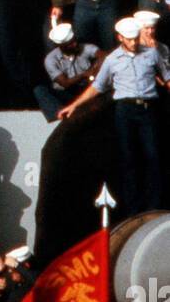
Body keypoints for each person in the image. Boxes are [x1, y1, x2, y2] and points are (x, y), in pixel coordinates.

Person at [59, 17, 166, 217]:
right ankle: (134, 210)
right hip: (125, 110)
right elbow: (98, 86)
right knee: (129, 159)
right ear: (120, 38)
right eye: (129, 39)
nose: (134, 43)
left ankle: (154, 206)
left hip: (148, 108)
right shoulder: (112, 60)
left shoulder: (152, 54)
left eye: (135, 38)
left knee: (153, 157)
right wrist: (74, 105)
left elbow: (166, 76)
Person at [33, 22, 102, 121]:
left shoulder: (84, 48)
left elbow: (103, 55)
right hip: (67, 93)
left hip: (86, 89)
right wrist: (84, 74)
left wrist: (95, 69)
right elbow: (65, 83)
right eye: (70, 44)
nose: (75, 44)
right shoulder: (51, 59)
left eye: (74, 41)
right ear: (61, 46)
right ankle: (59, 118)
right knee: (39, 90)